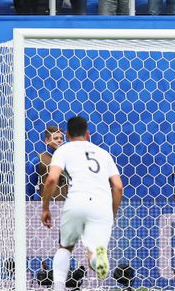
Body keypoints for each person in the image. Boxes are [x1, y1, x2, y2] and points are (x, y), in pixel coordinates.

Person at [40, 116, 124, 291]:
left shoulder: (63, 151)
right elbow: (118, 187)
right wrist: (111, 214)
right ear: (88, 134)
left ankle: (59, 288)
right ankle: (96, 258)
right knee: (93, 251)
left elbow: (51, 179)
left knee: (65, 247)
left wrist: (45, 208)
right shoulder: (103, 153)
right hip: (101, 204)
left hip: (76, 201)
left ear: (67, 134)